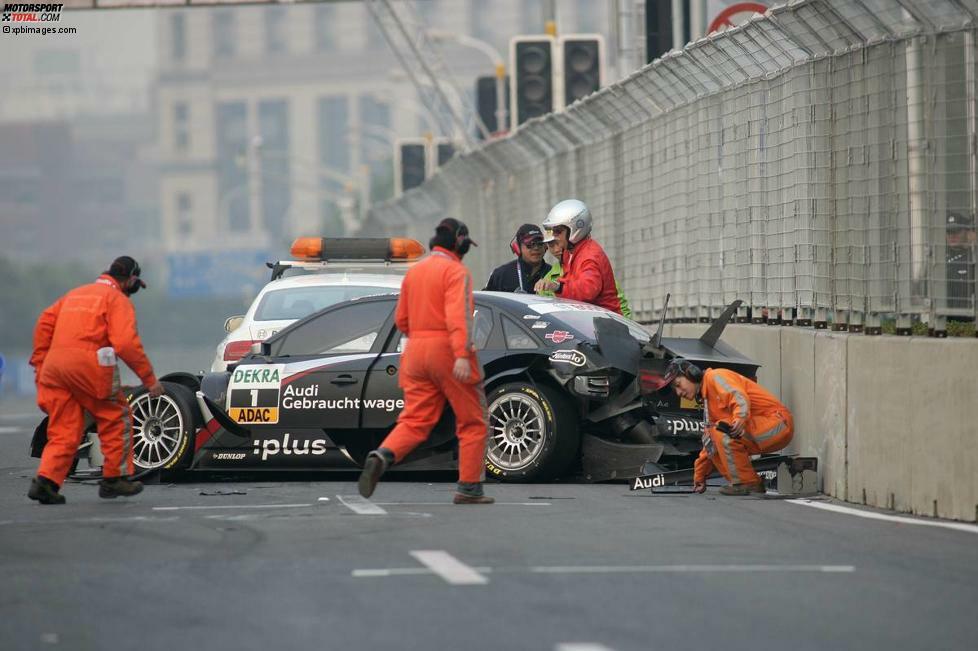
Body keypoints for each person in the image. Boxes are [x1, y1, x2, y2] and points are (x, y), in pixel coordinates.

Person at [358, 218, 494, 505]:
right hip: (447, 349)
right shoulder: (456, 272)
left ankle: (383, 454)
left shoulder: (415, 272)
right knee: (473, 421)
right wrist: (460, 354)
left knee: (416, 420)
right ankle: (470, 488)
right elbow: (458, 316)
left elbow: (401, 320)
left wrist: (422, 338)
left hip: (414, 352)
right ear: (459, 243)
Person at [28, 256, 163, 505]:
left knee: (64, 430)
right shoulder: (116, 300)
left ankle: (45, 482)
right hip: (90, 365)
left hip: (54, 367)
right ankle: (115, 478)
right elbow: (125, 344)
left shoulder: (75, 294)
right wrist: (150, 379)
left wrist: (41, 365)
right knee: (116, 416)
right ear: (131, 280)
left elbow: (44, 324)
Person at [665, 358, 793, 496]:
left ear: (692, 374)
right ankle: (749, 483)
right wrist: (700, 475)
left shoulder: (716, 377)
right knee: (713, 437)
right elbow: (709, 443)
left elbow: (739, 397)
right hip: (760, 428)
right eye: (675, 390)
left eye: (678, 385)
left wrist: (740, 417)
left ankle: (745, 483)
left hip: (778, 423)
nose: (678, 393)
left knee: (720, 430)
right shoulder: (708, 401)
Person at [533, 199, 623, 314]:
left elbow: (587, 290)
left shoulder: (590, 256)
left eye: (558, 231)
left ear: (576, 229)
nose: (554, 236)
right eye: (553, 231)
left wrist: (557, 286)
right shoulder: (570, 252)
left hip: (603, 323)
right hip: (588, 320)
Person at [537, 229, 633, 318]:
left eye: (558, 243)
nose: (556, 249)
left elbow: (619, 303)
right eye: (551, 245)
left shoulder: (588, 263)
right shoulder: (548, 279)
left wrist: (627, 326)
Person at [483, 223, 550, 293]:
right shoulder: (500, 275)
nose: (536, 248)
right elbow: (485, 301)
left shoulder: (554, 273)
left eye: (540, 243)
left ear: (545, 246)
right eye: (530, 244)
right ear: (517, 247)